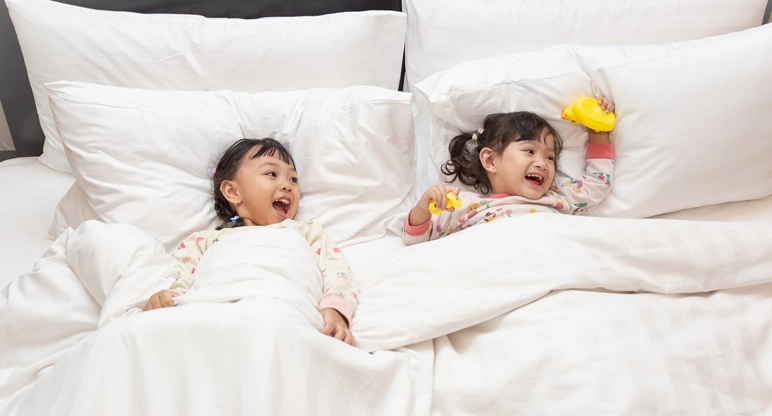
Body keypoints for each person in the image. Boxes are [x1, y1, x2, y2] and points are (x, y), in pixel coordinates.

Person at [142, 138, 357, 346]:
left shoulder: (306, 231)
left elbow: (336, 270)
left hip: (283, 307)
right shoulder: (205, 240)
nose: (287, 186)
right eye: (271, 174)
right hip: (211, 309)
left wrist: (336, 309)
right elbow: (181, 277)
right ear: (233, 191)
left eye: (293, 179)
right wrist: (167, 298)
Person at [404, 98, 616, 245]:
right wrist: (423, 206)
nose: (543, 164)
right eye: (529, 151)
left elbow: (597, 183)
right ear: (490, 160)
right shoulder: (465, 205)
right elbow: (415, 238)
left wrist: (597, 127)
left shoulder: (560, 199)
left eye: (550, 157)